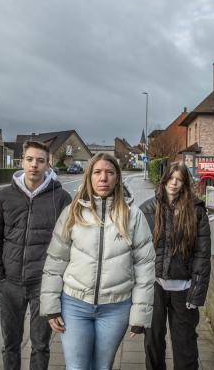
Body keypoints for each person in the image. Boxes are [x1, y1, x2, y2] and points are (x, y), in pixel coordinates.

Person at [40, 152, 155, 370]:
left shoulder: (133, 215)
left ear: (117, 178)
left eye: (110, 173)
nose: (103, 178)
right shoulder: (72, 212)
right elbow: (56, 260)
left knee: (102, 367)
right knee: (76, 367)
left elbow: (145, 266)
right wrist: (51, 307)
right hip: (74, 305)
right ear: (89, 177)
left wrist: (139, 313)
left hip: (116, 307)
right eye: (98, 172)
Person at [0, 140, 71, 370]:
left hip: (43, 284)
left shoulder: (61, 198)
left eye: (40, 161)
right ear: (22, 161)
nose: (34, 165)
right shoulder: (4, 196)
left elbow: (69, 242)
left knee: (40, 345)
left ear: (47, 164)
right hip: (9, 282)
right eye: (30, 159)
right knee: (10, 343)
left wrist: (58, 279)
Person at [140, 161, 211, 370]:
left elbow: (202, 255)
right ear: (164, 181)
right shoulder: (147, 209)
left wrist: (196, 294)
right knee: (153, 343)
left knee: (185, 345)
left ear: (185, 184)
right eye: (171, 178)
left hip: (184, 290)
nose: (174, 183)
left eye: (179, 180)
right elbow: (138, 253)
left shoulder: (196, 212)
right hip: (155, 288)